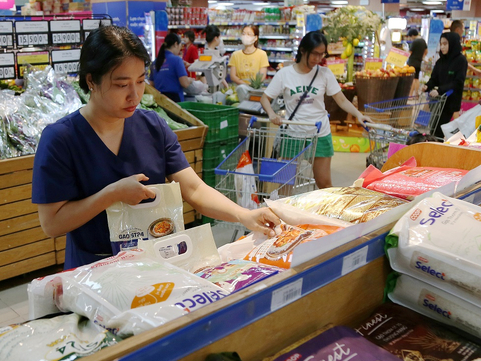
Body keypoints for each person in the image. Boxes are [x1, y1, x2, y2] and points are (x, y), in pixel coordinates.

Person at [33, 26, 280, 269]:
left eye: (141, 81)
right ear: (91, 81)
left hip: (155, 263)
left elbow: (194, 189)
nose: (135, 95)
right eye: (122, 85)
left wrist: (244, 215)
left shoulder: (152, 126)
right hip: (93, 271)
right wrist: (112, 194)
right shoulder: (61, 139)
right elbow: (52, 223)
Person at [260, 31, 373, 189]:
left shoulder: (324, 74)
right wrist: (272, 114)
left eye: (322, 54)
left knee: (324, 184)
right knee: (285, 184)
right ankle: (283, 213)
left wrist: (359, 115)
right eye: (315, 54)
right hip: (293, 134)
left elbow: (340, 99)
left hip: (319, 133)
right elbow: (265, 98)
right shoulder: (284, 74)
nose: (318, 59)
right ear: (303, 50)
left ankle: (325, 213)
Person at [424, 31, 468, 138]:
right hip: (437, 101)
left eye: (445, 44)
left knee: (440, 129)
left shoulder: (461, 61)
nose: (442, 47)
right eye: (441, 44)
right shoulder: (440, 61)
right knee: (434, 127)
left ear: (452, 44)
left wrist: (440, 90)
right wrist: (427, 86)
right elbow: (434, 78)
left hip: (450, 101)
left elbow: (458, 82)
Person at [149, 33, 193, 102]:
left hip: (159, 102)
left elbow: (151, 85)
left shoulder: (155, 62)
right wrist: (190, 80)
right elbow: (185, 84)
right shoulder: (177, 60)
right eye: (180, 46)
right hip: (175, 102)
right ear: (176, 44)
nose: (179, 50)